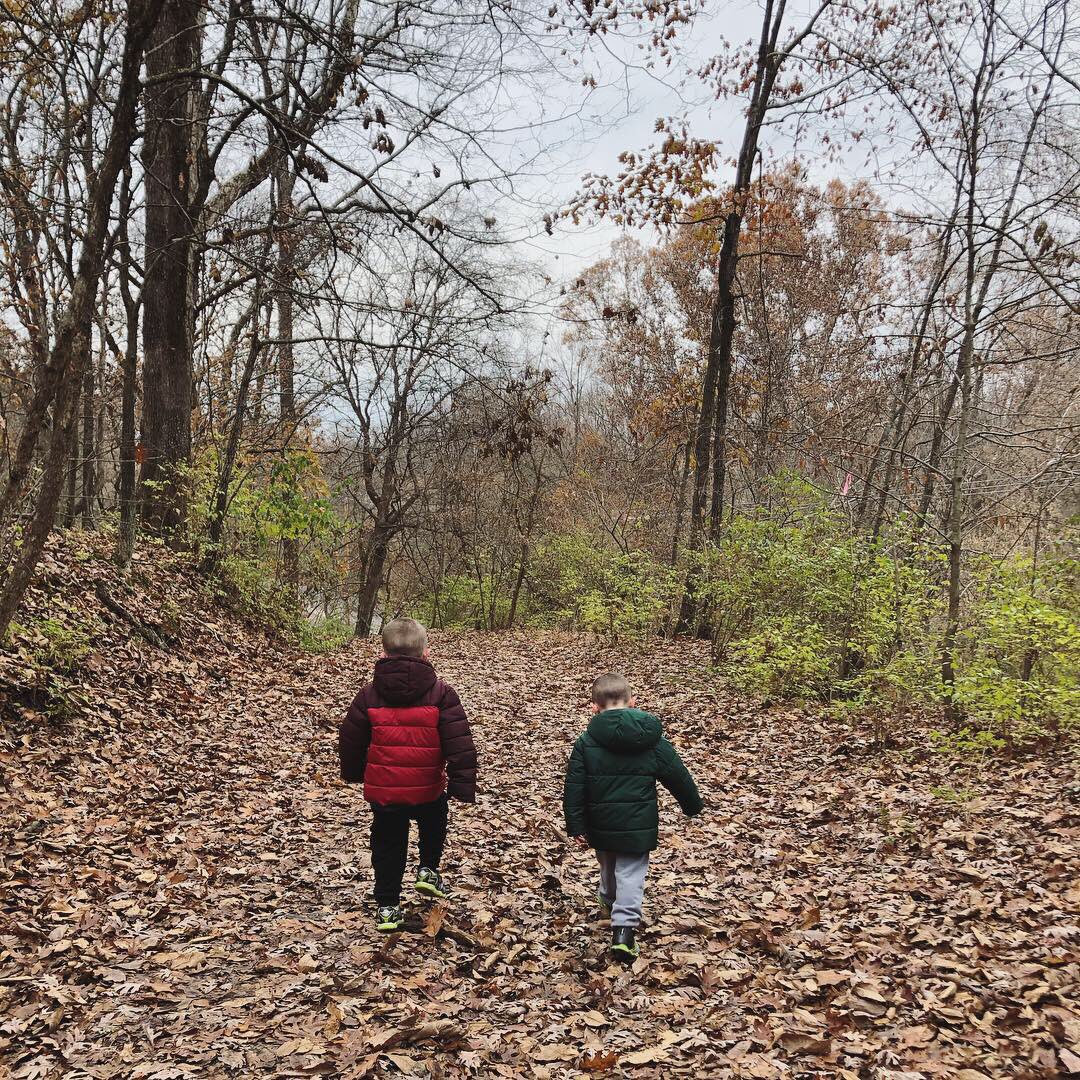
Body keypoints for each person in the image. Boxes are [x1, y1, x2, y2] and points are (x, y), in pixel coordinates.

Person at [339, 617, 477, 932]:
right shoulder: (442, 693)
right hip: (427, 787)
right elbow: (459, 742)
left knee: (388, 843)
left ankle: (388, 906)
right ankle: (428, 869)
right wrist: (462, 784)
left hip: (385, 791)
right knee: (435, 818)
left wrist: (353, 772)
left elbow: (350, 739)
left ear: (384, 654)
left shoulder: (369, 694)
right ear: (426, 653)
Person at [563, 672, 703, 961]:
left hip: (600, 823)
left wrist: (576, 824)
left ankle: (610, 902)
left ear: (594, 707)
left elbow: (574, 785)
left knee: (609, 863)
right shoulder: (651, 740)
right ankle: (624, 931)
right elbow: (677, 775)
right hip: (638, 824)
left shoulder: (586, 742)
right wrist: (692, 805)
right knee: (630, 873)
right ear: (633, 702)